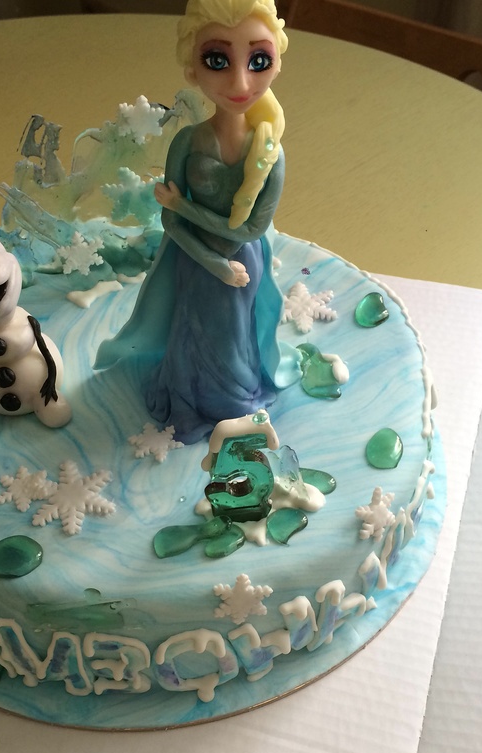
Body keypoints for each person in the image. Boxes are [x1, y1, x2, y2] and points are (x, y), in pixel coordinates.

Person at [94, 0, 300, 444]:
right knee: (191, 334)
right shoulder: (188, 141)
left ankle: (236, 408)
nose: (240, 82)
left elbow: (251, 230)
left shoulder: (271, 156)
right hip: (194, 259)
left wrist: (188, 212)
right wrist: (213, 263)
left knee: (234, 339)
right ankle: (192, 397)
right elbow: (170, 221)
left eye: (258, 60)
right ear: (192, 68)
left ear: (277, 64)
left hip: (242, 264)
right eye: (217, 60)